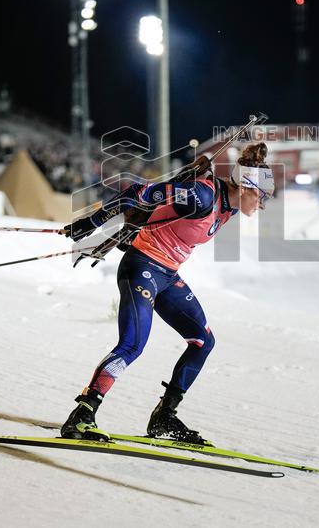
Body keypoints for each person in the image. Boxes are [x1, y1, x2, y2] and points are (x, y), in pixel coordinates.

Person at [59, 143, 274, 444]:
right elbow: (136, 193)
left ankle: (164, 417)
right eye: (261, 196)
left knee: (203, 341)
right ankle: (82, 414)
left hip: (166, 275)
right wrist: (90, 223)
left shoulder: (229, 206)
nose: (263, 203)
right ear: (245, 187)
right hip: (141, 267)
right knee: (133, 344)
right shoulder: (202, 196)